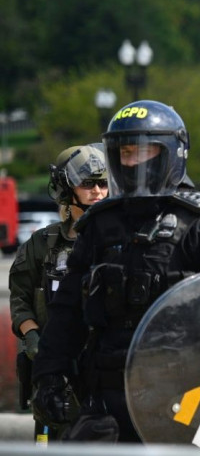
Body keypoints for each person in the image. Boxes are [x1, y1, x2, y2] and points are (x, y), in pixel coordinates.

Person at [30, 99, 200, 442]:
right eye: (125, 153)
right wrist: (49, 375)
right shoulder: (99, 224)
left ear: (171, 154)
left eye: (143, 152)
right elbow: (67, 311)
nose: (132, 162)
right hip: (107, 395)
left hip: (186, 394)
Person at [10, 143, 108, 443]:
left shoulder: (119, 241)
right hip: (55, 373)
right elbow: (20, 299)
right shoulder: (42, 244)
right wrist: (33, 338)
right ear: (68, 187)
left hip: (104, 369)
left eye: (103, 183)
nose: (97, 191)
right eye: (87, 184)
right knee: (50, 442)